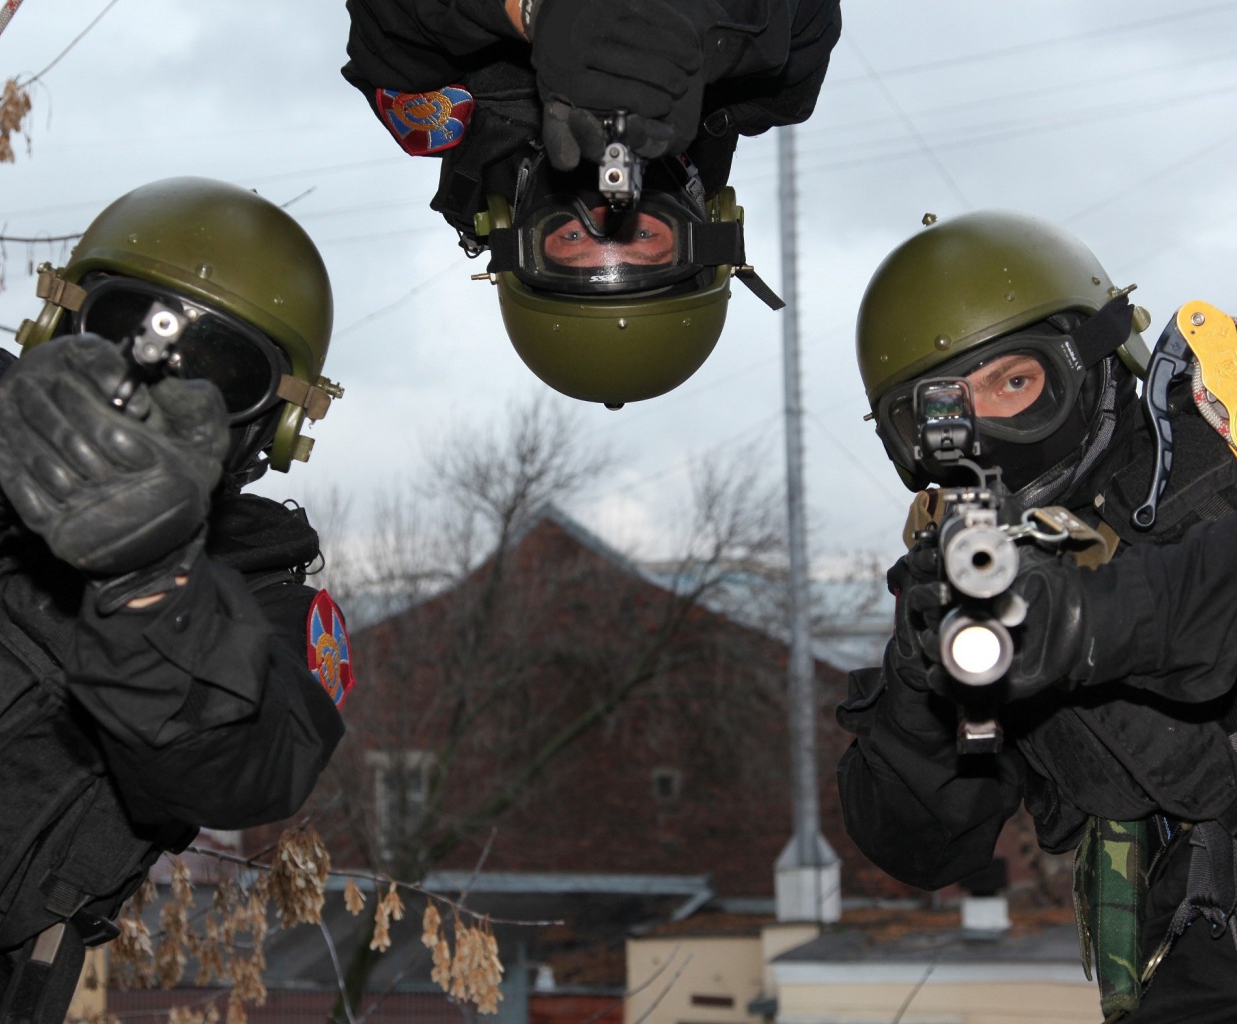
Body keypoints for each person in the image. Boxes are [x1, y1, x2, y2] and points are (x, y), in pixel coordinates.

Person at [0, 176, 350, 1023]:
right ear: (60, 323)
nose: (160, 372)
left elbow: (251, 770)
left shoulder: (258, 595)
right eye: (124, 327)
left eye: (220, 372)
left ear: (271, 426)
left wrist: (153, 580)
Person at [837, 208, 1237, 1023]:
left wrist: (1078, 621)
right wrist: (924, 693)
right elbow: (922, 846)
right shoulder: (974, 569)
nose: (985, 430)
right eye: (945, 412)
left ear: (1089, 359)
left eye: (1014, 383)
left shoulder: (1219, 443)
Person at [341, 0, 841, 406]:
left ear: (515, 231)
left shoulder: (427, 94)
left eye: (574, 238)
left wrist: (535, 11)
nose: (606, 213)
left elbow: (386, 21)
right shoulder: (772, 82)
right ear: (705, 218)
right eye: (644, 236)